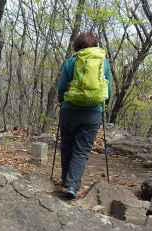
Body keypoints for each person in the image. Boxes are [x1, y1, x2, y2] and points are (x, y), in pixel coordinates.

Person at [57, 32, 113, 199]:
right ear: (95, 46)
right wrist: (104, 104)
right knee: (81, 150)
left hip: (69, 110)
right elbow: (108, 90)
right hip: (93, 112)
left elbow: (62, 87)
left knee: (67, 145)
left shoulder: (71, 62)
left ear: (77, 46)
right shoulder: (104, 63)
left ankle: (65, 180)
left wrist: (62, 101)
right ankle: (72, 185)